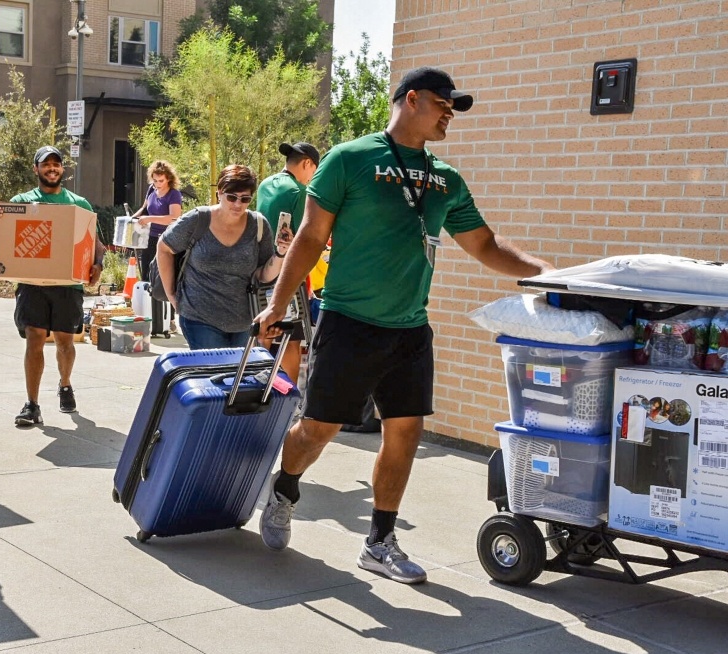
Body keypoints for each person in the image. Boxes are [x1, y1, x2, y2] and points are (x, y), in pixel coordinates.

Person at [255, 67, 554, 583]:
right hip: (349, 321)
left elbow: (484, 244)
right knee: (319, 429)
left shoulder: (446, 178)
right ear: (411, 99)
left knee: (406, 431)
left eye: (454, 108)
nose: (450, 115)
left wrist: (547, 273)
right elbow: (308, 237)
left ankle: (379, 540)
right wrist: (278, 303)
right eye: (444, 104)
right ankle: (284, 490)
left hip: (410, 328)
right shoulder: (348, 160)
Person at [0, 146, 105, 426]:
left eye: (56, 164)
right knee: (35, 338)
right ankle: (32, 404)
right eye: (46, 164)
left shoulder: (79, 204)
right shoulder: (23, 201)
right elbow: (5, 228)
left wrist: (98, 265)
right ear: (36, 169)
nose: (51, 168)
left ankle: (65, 384)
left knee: (65, 342)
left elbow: (96, 244)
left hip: (67, 285)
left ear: (62, 169)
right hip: (32, 284)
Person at [157, 164, 291, 350]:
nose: (238, 204)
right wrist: (172, 295)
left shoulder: (258, 225)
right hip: (199, 316)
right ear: (219, 192)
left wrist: (281, 253)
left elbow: (263, 276)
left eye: (245, 199)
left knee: (238, 377)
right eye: (231, 197)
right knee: (213, 375)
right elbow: (164, 248)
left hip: (244, 321)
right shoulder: (198, 219)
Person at [256, 142, 320, 383]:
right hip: (288, 276)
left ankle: (263, 391)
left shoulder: (264, 185)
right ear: (307, 164)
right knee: (291, 341)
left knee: (267, 334)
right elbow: (305, 238)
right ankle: (289, 398)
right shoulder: (298, 191)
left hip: (263, 272)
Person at [131, 160, 183, 333]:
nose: (158, 185)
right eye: (155, 181)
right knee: (147, 275)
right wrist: (131, 220)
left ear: (168, 179)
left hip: (167, 239)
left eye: (161, 181)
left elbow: (174, 218)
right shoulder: (151, 189)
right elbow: (144, 210)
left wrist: (150, 219)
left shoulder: (174, 194)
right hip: (149, 237)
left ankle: (170, 320)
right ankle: (149, 316)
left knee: (165, 278)